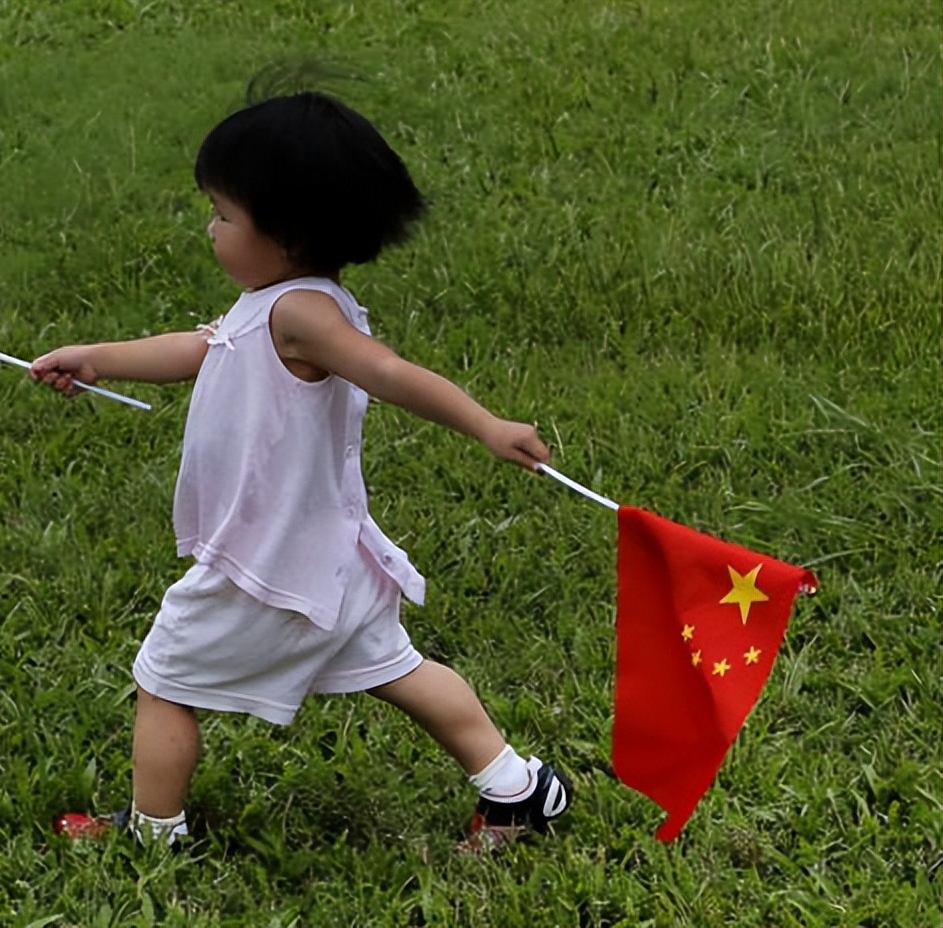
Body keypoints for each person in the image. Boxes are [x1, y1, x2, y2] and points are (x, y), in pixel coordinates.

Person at [30, 89, 572, 852]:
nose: (209, 227)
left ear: (285, 235)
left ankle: (154, 834)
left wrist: (484, 424)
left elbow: (389, 373)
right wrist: (100, 359)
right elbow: (200, 348)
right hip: (329, 555)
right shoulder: (271, 304)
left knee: (163, 677)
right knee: (397, 667)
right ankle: (520, 788)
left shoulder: (304, 316)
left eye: (222, 214)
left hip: (268, 559)